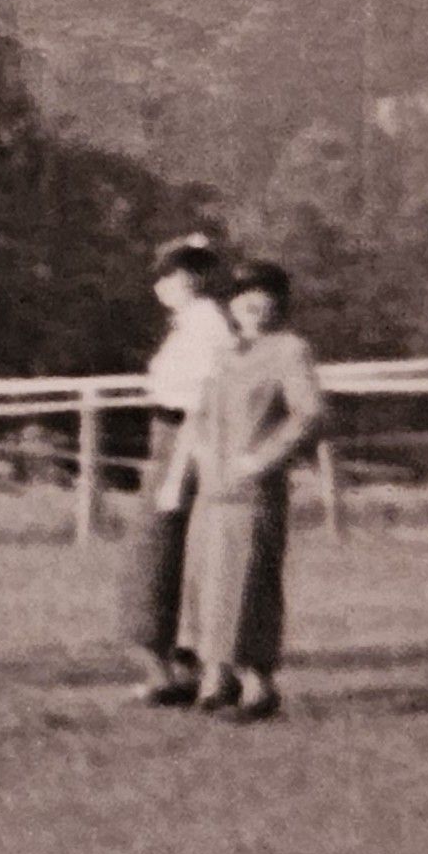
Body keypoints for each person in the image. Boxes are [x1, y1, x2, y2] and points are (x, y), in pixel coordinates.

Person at [180, 258, 328, 723]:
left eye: (263, 294)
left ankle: (258, 686)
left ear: (278, 302)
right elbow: (202, 410)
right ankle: (215, 677)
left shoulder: (290, 350)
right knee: (207, 579)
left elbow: (309, 414)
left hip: (255, 488)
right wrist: (202, 454)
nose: (252, 304)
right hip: (214, 488)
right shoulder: (225, 354)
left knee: (248, 581)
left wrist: (261, 459)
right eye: (243, 296)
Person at [124, 238, 238, 702]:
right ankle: (175, 663)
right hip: (170, 436)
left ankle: (175, 666)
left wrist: (175, 474)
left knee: (164, 550)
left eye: (183, 273)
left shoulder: (208, 325)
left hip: (188, 440)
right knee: (165, 552)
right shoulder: (189, 325)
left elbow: (200, 404)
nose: (171, 283)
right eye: (168, 273)